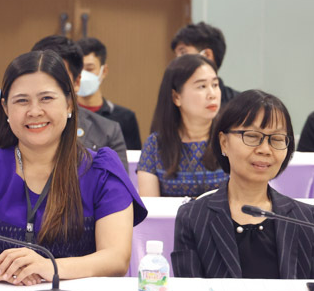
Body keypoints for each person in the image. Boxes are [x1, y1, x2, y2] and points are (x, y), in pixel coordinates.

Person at [0, 50, 147, 285]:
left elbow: (116, 258)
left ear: (69, 104)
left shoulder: (102, 172)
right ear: (5, 109)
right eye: (22, 101)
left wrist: (50, 267)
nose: (34, 111)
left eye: (46, 98)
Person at [172, 90, 314, 279]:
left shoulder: (308, 219)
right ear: (224, 142)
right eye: (252, 136)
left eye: (277, 139)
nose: (265, 149)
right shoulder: (193, 217)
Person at [31, 36, 128, 171]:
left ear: (77, 82)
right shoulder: (15, 123)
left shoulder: (108, 131)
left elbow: (117, 182)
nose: (48, 84)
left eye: (58, 77)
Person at [137, 54, 228, 197]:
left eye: (215, 85)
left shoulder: (229, 139)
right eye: (202, 86)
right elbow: (150, 205)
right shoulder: (155, 145)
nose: (212, 94)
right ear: (176, 97)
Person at [75, 37, 141, 150]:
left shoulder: (125, 118)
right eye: (78, 69)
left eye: (89, 69)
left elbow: (131, 158)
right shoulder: (64, 115)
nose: (82, 75)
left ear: (104, 71)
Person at [170, 22, 238, 103]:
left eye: (183, 53)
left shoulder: (239, 105)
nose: (177, 61)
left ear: (206, 55)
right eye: (176, 55)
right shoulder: (175, 100)